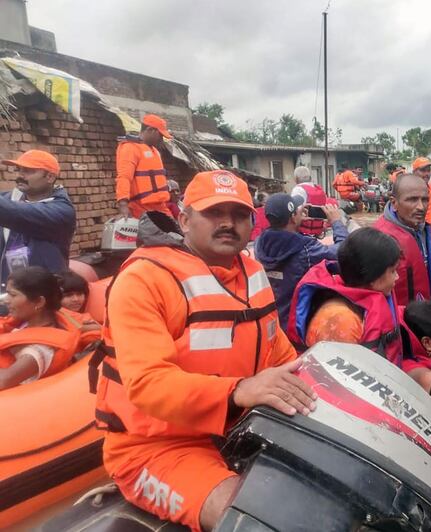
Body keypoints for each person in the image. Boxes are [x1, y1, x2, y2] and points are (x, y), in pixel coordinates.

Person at [90, 170, 316, 531]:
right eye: (214, 212)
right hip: (159, 447)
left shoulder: (252, 271)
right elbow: (148, 383)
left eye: (239, 214)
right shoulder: (145, 280)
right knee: (259, 522)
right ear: (184, 219)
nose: (228, 223)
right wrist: (239, 390)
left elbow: (279, 354)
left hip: (242, 428)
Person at [287, 228, 403, 365]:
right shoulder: (340, 319)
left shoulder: (367, 297)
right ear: (372, 276)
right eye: (393, 271)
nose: (397, 277)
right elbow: (331, 378)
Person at [255, 193, 347, 329]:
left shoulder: (259, 244)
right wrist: (336, 223)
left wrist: (296, 220)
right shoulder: (305, 250)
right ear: (292, 217)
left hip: (271, 321)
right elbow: (344, 252)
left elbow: (285, 236)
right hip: (296, 324)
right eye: (297, 211)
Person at [0, 150, 76, 288]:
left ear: (50, 177)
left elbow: (14, 213)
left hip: (43, 295)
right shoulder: (9, 199)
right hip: (10, 292)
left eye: (28, 171)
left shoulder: (61, 211)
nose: (20, 175)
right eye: (19, 170)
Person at [0, 267, 82, 389]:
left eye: (13, 295)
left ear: (39, 302)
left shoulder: (39, 351)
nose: (6, 300)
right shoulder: (43, 318)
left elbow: (4, 381)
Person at [374, 174, 431, 306]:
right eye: (412, 200)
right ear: (394, 203)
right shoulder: (379, 239)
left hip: (428, 314)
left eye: (425, 199)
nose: (421, 207)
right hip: (399, 319)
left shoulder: (428, 231)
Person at [115, 114, 173, 219]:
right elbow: (124, 177)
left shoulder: (154, 151)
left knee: (176, 234)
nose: (161, 139)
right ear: (151, 130)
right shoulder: (130, 148)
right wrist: (123, 204)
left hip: (160, 207)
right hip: (141, 209)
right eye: (160, 135)